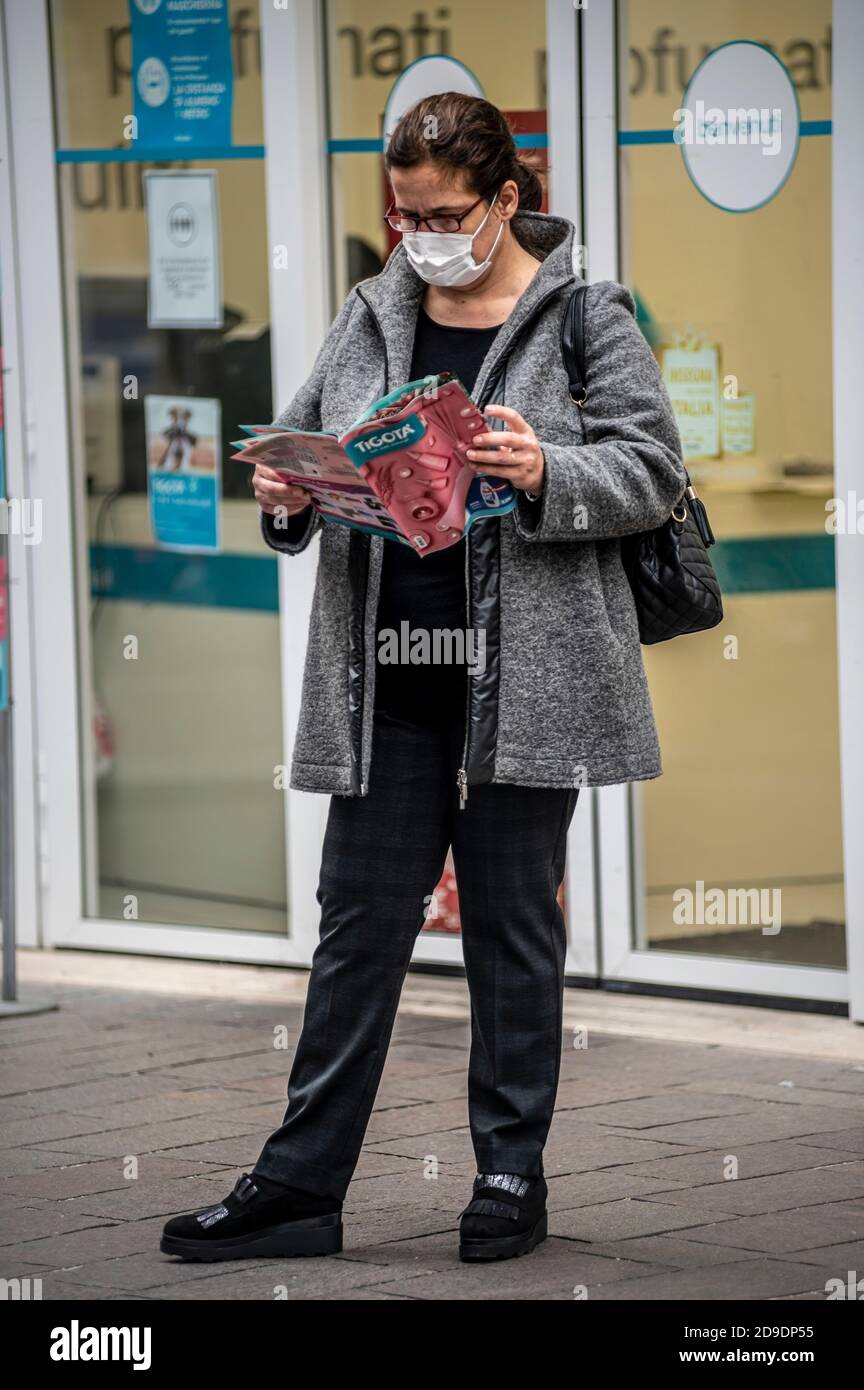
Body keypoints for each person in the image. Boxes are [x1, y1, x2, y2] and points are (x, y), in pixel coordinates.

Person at [161, 92, 687, 1265]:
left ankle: (508, 1173)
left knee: (512, 934)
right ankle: (299, 1187)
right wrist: (287, 498)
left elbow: (653, 468)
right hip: (387, 678)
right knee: (356, 933)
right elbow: (300, 443)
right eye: (405, 216)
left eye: (447, 213)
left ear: (508, 200)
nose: (423, 236)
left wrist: (547, 463)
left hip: (524, 683)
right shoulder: (370, 309)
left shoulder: (585, 314)